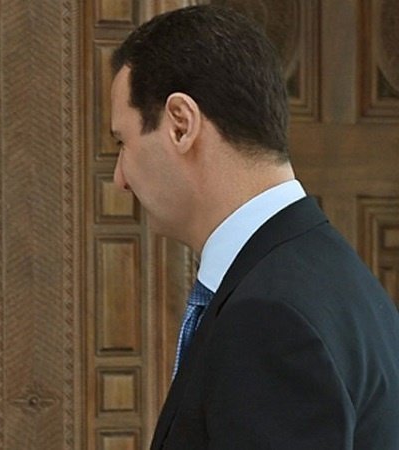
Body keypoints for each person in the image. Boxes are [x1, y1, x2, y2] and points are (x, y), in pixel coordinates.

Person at [110, 5, 399, 449]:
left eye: (123, 142)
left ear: (181, 124)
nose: (120, 178)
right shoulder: (329, 272)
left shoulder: (269, 318)